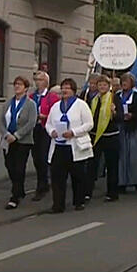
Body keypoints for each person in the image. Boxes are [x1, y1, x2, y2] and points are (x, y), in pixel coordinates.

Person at [45, 79, 94, 213]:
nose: (64, 90)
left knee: (77, 176)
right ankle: (58, 204)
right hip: (59, 146)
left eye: (67, 88)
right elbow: (48, 123)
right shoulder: (56, 106)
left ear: (73, 90)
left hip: (74, 146)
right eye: (63, 88)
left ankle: (79, 201)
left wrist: (73, 132)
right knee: (57, 177)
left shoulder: (81, 105)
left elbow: (89, 124)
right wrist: (52, 132)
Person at [0, 76, 38, 210]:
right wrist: (6, 134)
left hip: (23, 141)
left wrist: (17, 135)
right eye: (15, 84)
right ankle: (19, 189)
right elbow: (1, 121)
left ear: (26, 88)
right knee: (9, 165)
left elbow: (31, 122)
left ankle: (15, 196)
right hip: (8, 140)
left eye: (20, 85)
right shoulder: (8, 103)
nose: (17, 86)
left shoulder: (30, 104)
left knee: (19, 167)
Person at [85, 75, 121, 202]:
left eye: (104, 85)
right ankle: (87, 191)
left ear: (109, 86)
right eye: (100, 85)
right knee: (92, 165)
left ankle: (112, 192)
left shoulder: (114, 98)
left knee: (112, 165)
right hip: (96, 136)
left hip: (110, 136)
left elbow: (120, 118)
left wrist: (114, 112)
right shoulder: (94, 99)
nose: (102, 87)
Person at [30, 71, 58, 201]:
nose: (37, 82)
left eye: (40, 80)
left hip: (45, 129)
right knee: (36, 158)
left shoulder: (52, 97)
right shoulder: (32, 96)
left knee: (43, 157)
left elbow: (55, 114)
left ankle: (42, 186)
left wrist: (44, 116)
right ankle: (43, 182)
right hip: (33, 129)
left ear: (46, 82)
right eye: (36, 80)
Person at [116, 73, 137, 193]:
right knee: (121, 156)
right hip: (121, 128)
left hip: (133, 129)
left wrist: (132, 115)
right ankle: (121, 181)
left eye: (126, 81)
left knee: (134, 156)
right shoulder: (117, 96)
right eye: (123, 81)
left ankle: (135, 180)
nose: (124, 83)